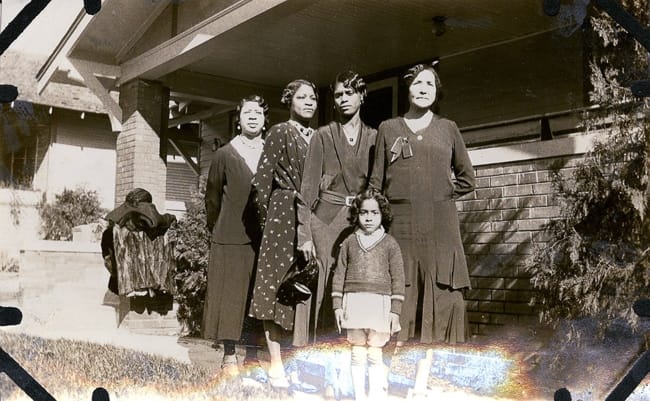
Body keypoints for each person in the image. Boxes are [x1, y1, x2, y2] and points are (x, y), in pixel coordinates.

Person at [369, 62, 475, 345]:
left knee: (442, 296)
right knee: (400, 291)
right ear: (408, 89)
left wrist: (438, 195)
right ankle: (395, 359)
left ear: (437, 91)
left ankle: (427, 367)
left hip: (440, 226)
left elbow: (467, 179)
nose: (424, 89)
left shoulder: (448, 128)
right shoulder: (388, 128)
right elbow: (375, 183)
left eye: (430, 84)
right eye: (418, 83)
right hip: (401, 226)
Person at [248, 79, 318, 388]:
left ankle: (297, 363)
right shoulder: (279, 132)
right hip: (282, 216)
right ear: (289, 100)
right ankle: (276, 365)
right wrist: (269, 223)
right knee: (275, 288)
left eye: (313, 98)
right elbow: (261, 183)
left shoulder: (318, 137)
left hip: (311, 217)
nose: (309, 102)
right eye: (302, 97)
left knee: (303, 289)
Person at [297, 70, 377, 337]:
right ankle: (318, 344)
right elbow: (307, 189)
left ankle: (352, 345)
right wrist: (304, 234)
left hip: (361, 220)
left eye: (350, 93)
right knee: (326, 280)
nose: (343, 99)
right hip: (326, 221)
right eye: (339, 94)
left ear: (362, 96)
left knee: (356, 281)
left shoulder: (374, 137)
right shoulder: (323, 135)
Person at [202, 95, 268, 376]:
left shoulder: (272, 153)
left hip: (264, 239)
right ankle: (229, 355)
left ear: (265, 119)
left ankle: (252, 356)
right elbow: (212, 198)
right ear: (238, 119)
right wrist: (219, 228)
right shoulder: (224, 154)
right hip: (230, 237)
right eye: (247, 112)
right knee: (229, 298)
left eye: (258, 113)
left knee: (256, 298)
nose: (253, 117)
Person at [331, 189, 405, 401]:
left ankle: (373, 395)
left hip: (379, 305)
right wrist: (337, 305)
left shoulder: (390, 243)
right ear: (357, 214)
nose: (369, 218)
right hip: (354, 303)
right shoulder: (349, 242)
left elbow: (398, 278)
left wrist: (395, 311)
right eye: (364, 213)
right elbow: (339, 274)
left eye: (374, 212)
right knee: (357, 353)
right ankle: (359, 395)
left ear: (383, 214)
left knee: (374, 354)